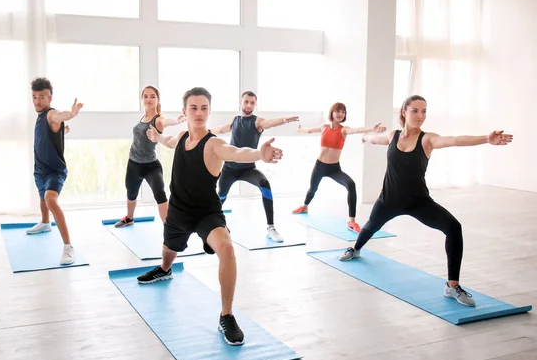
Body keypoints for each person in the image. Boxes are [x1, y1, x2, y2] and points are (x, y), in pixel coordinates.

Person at [137, 87, 283, 346]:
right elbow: (168, 141)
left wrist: (260, 154)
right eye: (193, 108)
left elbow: (236, 153)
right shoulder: (182, 137)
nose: (199, 113)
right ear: (184, 111)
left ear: (209, 111)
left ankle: (226, 315)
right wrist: (156, 136)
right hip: (179, 211)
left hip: (207, 213)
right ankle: (164, 270)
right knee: (169, 249)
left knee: (226, 248)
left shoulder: (214, 143)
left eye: (204, 108)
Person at [339, 95, 513, 307]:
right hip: (388, 200)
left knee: (454, 228)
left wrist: (486, 139)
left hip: (418, 201)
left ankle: (452, 285)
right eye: (415, 111)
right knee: (370, 226)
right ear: (404, 112)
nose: (420, 116)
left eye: (423, 111)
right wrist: (366, 137)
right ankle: (356, 249)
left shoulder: (427, 139)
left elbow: (456, 140)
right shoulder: (393, 135)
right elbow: (375, 139)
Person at [210, 91, 298, 242]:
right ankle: (212, 225)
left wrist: (284, 120)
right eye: (246, 102)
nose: (249, 105)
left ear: (255, 105)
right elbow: (220, 130)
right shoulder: (235, 120)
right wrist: (203, 132)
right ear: (241, 102)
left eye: (252, 103)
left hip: (248, 169)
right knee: (221, 196)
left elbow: (269, 123)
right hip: (229, 168)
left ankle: (271, 228)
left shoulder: (257, 122)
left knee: (265, 184)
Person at [292, 102, 386, 232]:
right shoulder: (324, 127)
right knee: (312, 189)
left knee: (351, 185)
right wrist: (299, 129)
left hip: (334, 169)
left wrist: (372, 129)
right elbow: (309, 130)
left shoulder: (344, 130)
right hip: (320, 166)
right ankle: (305, 206)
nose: (341, 114)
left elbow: (356, 130)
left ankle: (352, 221)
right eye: (338, 111)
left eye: (343, 112)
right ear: (332, 112)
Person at [25, 77, 83, 265]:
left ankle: (68, 247)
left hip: (55, 171)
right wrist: (62, 132)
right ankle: (45, 223)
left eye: (42, 97)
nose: (37, 101)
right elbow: (49, 133)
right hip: (40, 169)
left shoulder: (51, 114)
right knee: (43, 196)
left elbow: (59, 116)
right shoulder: (41, 117)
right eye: (34, 97)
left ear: (50, 98)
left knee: (50, 199)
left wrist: (71, 114)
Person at [114, 86, 186, 227]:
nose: (149, 99)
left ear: (158, 99)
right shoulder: (143, 117)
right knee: (131, 193)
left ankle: (168, 227)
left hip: (151, 166)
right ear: (142, 99)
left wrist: (176, 121)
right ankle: (129, 218)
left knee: (160, 194)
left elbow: (166, 121)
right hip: (133, 163)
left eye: (153, 96)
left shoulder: (158, 119)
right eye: (145, 96)